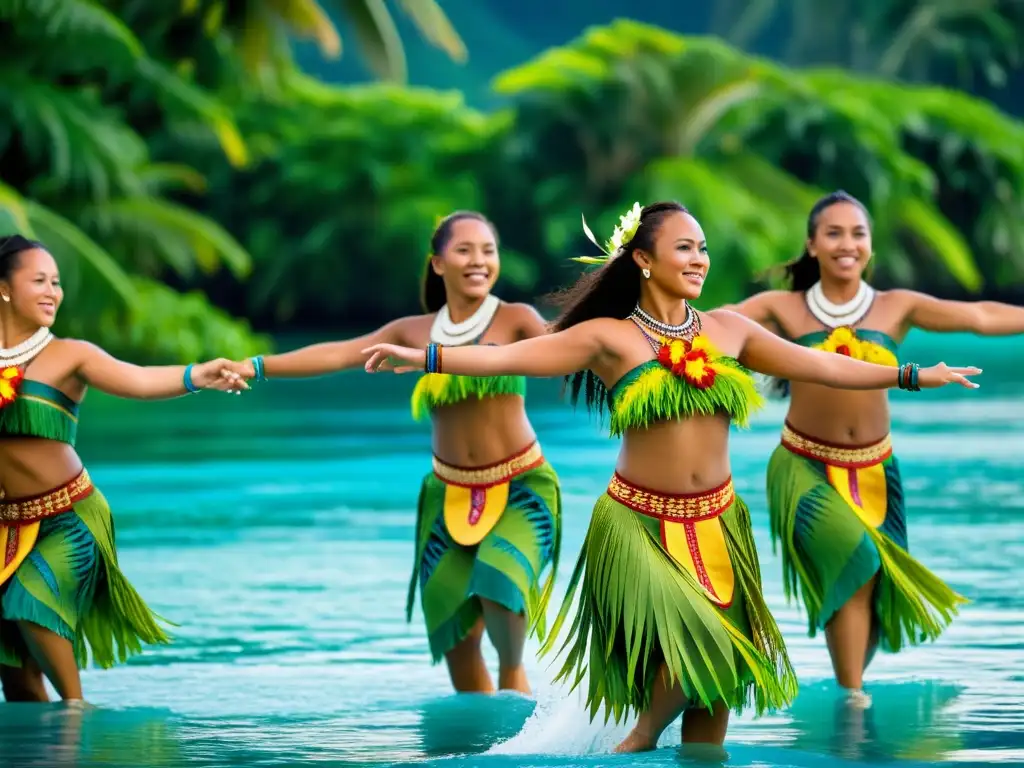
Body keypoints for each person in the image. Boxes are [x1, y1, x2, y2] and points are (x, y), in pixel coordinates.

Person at [360, 201, 981, 752]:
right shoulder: (608, 337)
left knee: (715, 705)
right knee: (703, 647)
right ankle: (637, 739)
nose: (700, 258)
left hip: (720, 521)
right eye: (685, 246)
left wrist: (909, 375)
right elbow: (512, 355)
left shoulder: (728, 331)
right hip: (639, 525)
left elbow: (822, 367)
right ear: (643, 260)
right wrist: (426, 355)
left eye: (703, 247)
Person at [230, 211, 561, 695]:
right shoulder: (412, 331)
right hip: (446, 493)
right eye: (464, 250)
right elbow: (338, 354)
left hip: (521, 487)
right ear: (438, 263)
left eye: (488, 250)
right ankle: (475, 743)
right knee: (454, 629)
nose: (478, 261)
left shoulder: (517, 320)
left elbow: (575, 348)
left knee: (499, 583)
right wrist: (255, 365)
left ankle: (517, 697)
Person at [723, 190, 1019, 707]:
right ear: (811, 245)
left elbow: (981, 316)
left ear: (871, 247)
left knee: (873, 587)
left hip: (878, 469)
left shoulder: (895, 306)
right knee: (853, 555)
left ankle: (849, 692)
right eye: (833, 233)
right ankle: (852, 696)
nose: (846, 244)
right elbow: (714, 324)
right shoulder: (780, 308)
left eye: (858, 234)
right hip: (804, 466)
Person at [0, 234, 250, 703]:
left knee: (30, 607)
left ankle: (77, 711)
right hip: (7, 527)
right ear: (4, 288)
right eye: (39, 281)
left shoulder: (70, 355)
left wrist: (199, 375)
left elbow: (137, 380)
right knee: (14, 670)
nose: (52, 291)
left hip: (69, 518)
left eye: (56, 282)